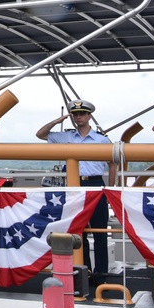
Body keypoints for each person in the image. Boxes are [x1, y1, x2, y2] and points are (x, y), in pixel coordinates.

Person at [36, 99, 115, 281]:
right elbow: (41, 134)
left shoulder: (101, 140)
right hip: (73, 186)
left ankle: (100, 274)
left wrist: (110, 189)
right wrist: (57, 121)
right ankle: (84, 272)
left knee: (100, 231)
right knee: (78, 232)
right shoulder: (66, 138)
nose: (78, 117)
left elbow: (112, 164)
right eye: (75, 114)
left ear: (89, 116)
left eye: (82, 114)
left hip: (95, 186)